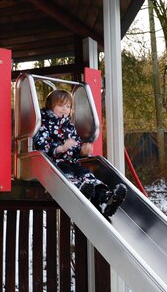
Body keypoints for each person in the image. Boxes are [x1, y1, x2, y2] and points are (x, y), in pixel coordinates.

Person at [33, 89, 126, 218]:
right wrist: (60, 148)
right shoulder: (43, 124)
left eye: (68, 106)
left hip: (72, 162)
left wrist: (83, 150)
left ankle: (105, 199)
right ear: (50, 106)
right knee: (69, 176)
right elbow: (42, 146)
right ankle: (81, 193)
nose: (64, 109)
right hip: (55, 164)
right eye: (60, 105)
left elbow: (76, 149)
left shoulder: (70, 126)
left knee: (87, 175)